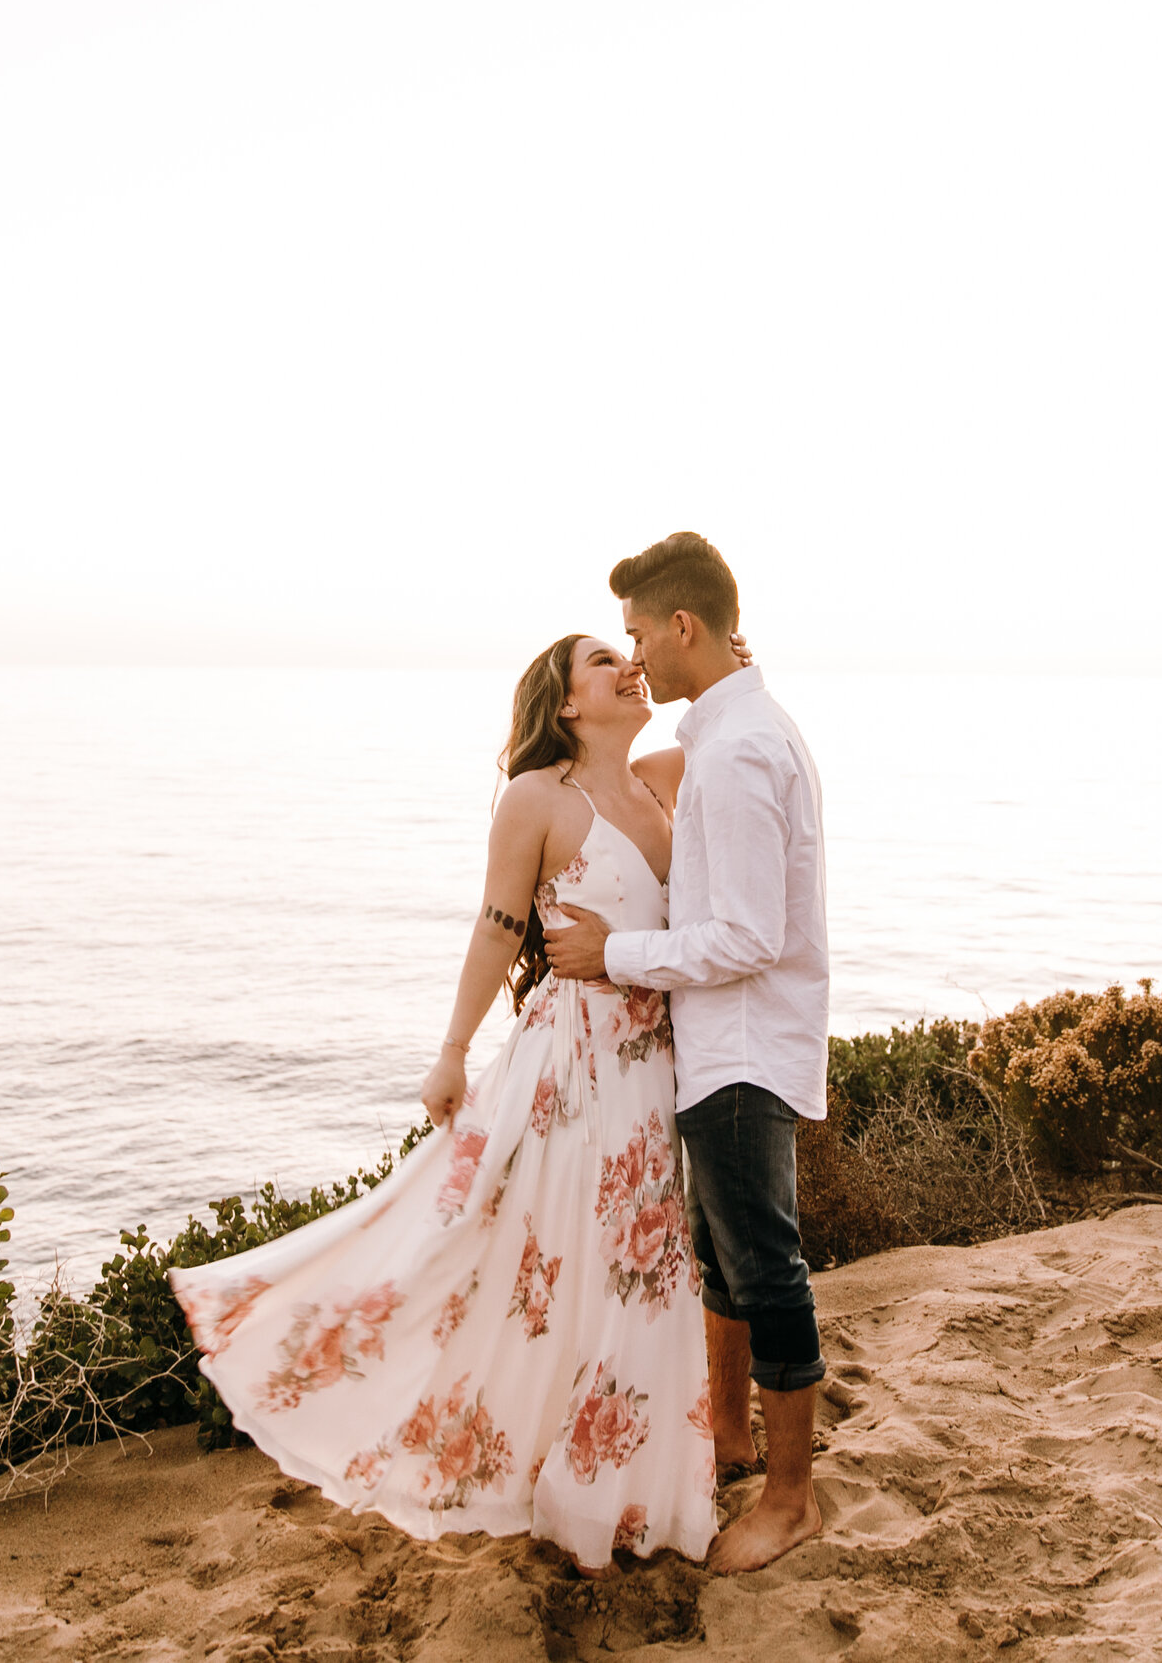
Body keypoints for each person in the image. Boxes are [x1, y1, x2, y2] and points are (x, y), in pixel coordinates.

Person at [169, 630, 745, 1574]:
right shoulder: (538, 798)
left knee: (637, 1268)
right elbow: (498, 925)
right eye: (605, 660)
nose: (627, 666)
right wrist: (450, 1053)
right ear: (565, 701)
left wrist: (727, 657)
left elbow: (728, 723)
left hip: (652, 1064)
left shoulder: (662, 777)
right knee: (539, 1250)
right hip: (575, 1060)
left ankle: (620, 1483)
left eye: (627, 652)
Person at [543, 531, 830, 1575]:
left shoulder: (743, 750)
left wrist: (611, 952)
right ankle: (734, 1440)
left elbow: (749, 935)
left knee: (764, 1263)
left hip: (745, 1048)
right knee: (722, 1256)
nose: (634, 660)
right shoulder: (723, 731)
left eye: (636, 635)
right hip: (714, 1045)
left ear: (681, 625)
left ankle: (792, 1501)